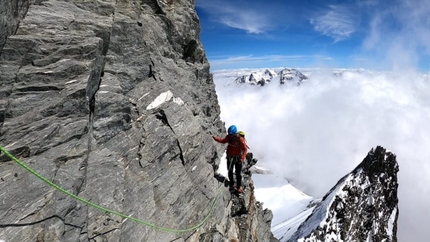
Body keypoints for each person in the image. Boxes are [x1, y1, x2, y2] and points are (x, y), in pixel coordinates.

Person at [212, 125, 248, 193]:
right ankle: (232, 185)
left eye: (231, 134)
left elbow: (245, 149)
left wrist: (242, 158)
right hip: (230, 157)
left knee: (238, 173)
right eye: (229, 134)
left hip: (238, 158)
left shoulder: (240, 139)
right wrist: (215, 138)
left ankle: (238, 186)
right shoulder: (229, 137)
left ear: (234, 133)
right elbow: (223, 141)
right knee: (230, 172)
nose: (230, 135)